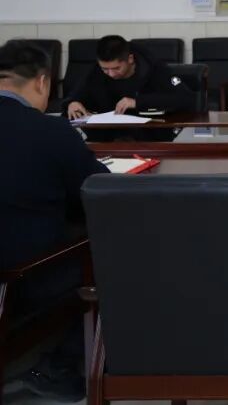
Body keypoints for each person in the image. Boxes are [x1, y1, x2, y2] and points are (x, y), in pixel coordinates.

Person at [0, 40, 108, 401]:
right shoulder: (50, 132)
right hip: (23, 275)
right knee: (119, 258)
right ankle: (56, 367)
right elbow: (98, 192)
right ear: (43, 81)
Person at [63, 35, 196, 143]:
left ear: (130, 59)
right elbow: (76, 93)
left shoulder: (154, 69)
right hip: (108, 137)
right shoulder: (97, 71)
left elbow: (186, 98)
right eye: (105, 69)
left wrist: (138, 101)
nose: (111, 74)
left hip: (148, 137)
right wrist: (72, 102)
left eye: (116, 68)